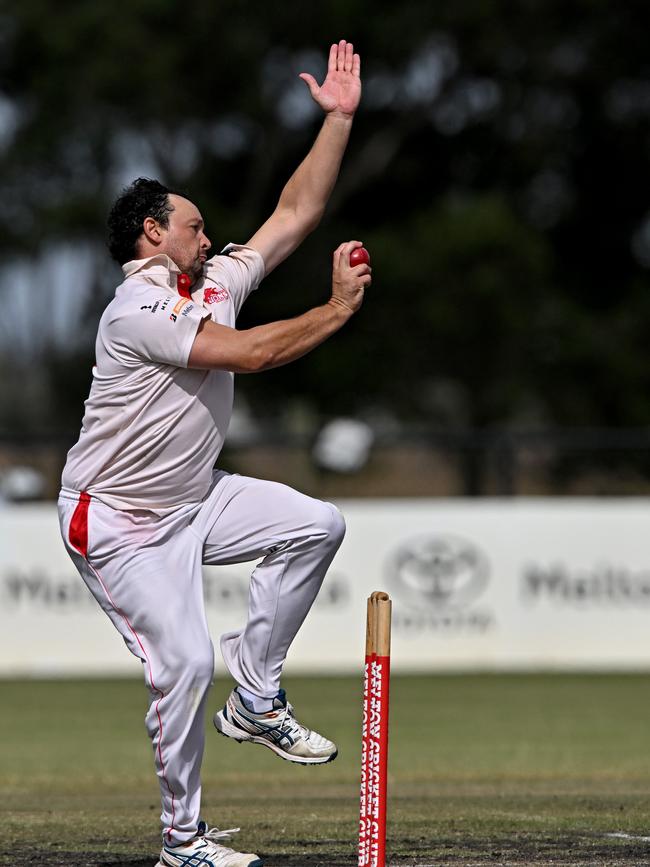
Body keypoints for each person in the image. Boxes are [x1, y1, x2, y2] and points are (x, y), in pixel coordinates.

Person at [57, 40, 371, 867]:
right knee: (187, 660)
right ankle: (181, 843)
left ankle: (258, 695)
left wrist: (337, 120)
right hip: (117, 522)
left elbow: (295, 212)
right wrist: (334, 311)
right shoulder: (135, 310)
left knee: (317, 523)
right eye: (194, 224)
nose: (211, 234)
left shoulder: (215, 283)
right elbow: (255, 356)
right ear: (155, 233)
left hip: (195, 497)